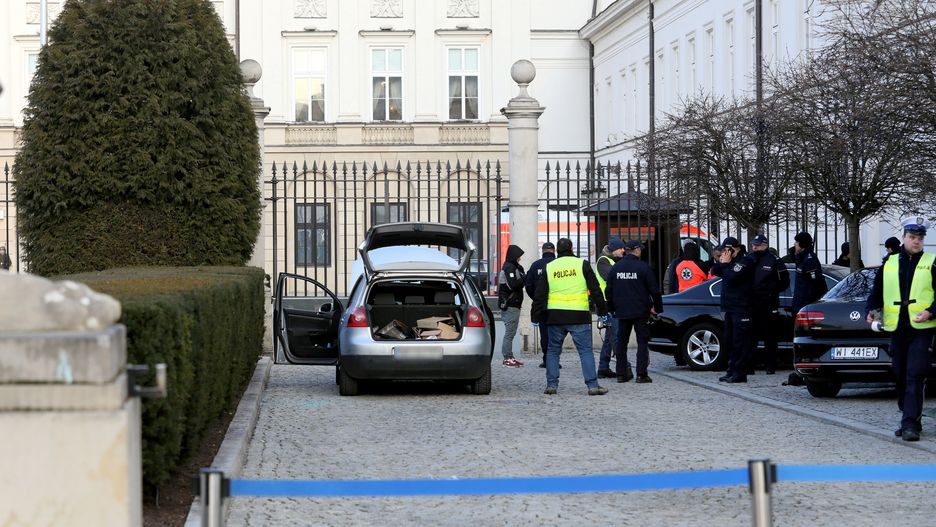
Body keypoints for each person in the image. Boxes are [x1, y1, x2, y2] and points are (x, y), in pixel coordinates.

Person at [865, 217, 936, 442]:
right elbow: (877, 291)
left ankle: (910, 424)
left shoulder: (932, 262)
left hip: (922, 329)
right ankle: (909, 416)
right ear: (904, 238)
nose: (916, 241)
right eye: (912, 237)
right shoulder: (890, 262)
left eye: (920, 238)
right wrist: (872, 311)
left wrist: (931, 311)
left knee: (915, 374)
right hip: (897, 328)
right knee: (900, 374)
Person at [532, 237, 610, 395]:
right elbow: (595, 290)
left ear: (557, 250)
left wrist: (535, 316)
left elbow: (540, 294)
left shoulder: (550, 267)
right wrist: (602, 311)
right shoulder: (582, 264)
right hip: (579, 315)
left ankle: (552, 385)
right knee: (585, 351)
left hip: (555, 316)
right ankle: (592, 386)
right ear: (572, 248)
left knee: (553, 351)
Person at [605, 240, 662, 383]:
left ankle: (621, 374)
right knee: (642, 342)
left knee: (621, 343)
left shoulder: (616, 267)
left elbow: (608, 290)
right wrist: (658, 308)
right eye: (640, 249)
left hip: (622, 311)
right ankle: (641, 374)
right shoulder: (643, 267)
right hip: (640, 311)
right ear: (636, 250)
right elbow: (654, 290)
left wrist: (611, 308)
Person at [710, 236, 756, 383]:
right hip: (730, 307)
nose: (725, 252)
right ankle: (731, 370)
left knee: (739, 342)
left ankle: (740, 373)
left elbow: (732, 277)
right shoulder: (730, 262)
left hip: (741, 307)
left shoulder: (745, 261)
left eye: (727, 249)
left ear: (734, 249)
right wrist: (721, 261)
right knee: (729, 340)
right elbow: (715, 271)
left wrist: (725, 264)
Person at [749, 234, 790, 374]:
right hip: (752, 302)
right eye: (753, 245)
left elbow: (785, 281)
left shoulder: (774, 260)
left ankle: (770, 365)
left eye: (757, 245)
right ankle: (750, 366)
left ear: (765, 245)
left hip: (769, 302)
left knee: (770, 336)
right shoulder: (749, 258)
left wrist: (771, 291)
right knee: (751, 336)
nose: (755, 247)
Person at [596, 238, 633, 380]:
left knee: (610, 337)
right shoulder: (603, 261)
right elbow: (615, 279)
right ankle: (624, 366)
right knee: (616, 337)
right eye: (621, 248)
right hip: (607, 305)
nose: (623, 250)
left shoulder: (612, 261)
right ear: (614, 249)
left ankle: (603, 367)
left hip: (613, 304)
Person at [525, 241, 556, 368]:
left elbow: (528, 285)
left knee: (544, 334)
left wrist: (536, 297)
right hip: (557, 305)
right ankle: (555, 360)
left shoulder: (536, 265)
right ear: (554, 251)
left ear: (542, 251)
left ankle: (547, 359)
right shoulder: (558, 264)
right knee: (556, 334)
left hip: (542, 305)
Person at [497, 244, 526, 368]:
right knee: (510, 333)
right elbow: (513, 285)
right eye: (518, 256)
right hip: (511, 305)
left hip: (513, 304)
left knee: (511, 332)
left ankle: (510, 357)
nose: (520, 258)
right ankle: (507, 358)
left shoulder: (513, 267)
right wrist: (524, 277)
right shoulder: (509, 268)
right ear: (514, 255)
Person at [791, 232, 827, 316]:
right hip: (799, 304)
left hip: (806, 305)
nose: (795, 244)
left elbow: (816, 283)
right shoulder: (801, 258)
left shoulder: (810, 260)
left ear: (802, 244)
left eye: (797, 242)